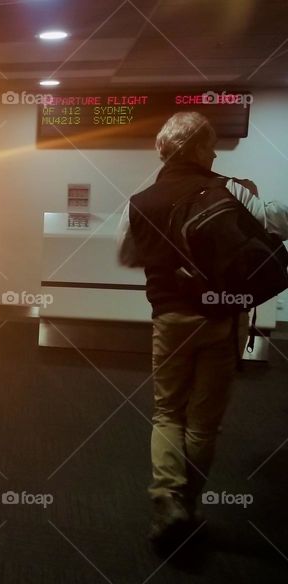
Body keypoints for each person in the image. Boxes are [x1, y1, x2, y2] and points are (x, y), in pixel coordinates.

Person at [118, 111, 288, 550]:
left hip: (171, 320)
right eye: (210, 145)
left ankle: (166, 500)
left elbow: (128, 254)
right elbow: (274, 225)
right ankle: (190, 506)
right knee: (203, 422)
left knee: (167, 411)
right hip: (225, 320)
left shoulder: (140, 200)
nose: (214, 153)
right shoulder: (230, 189)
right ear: (196, 149)